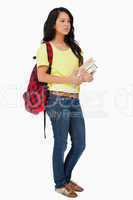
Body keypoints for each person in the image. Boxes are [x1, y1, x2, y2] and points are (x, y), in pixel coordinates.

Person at [36, 7, 94, 198]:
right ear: (53, 23)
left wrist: (85, 77)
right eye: (62, 20)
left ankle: (65, 178)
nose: (66, 24)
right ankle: (60, 184)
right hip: (57, 100)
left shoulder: (75, 47)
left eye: (69, 21)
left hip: (74, 101)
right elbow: (42, 75)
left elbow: (78, 76)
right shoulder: (46, 47)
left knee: (80, 144)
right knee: (61, 143)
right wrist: (69, 79)